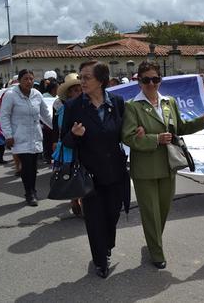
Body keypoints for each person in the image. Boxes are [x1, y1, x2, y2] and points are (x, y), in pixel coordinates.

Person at [121, 60, 204, 269]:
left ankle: (153, 241)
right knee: (150, 212)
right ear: (139, 82)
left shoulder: (169, 102)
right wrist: (155, 139)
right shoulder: (132, 107)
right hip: (144, 168)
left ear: (160, 80)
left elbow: (180, 127)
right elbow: (128, 137)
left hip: (168, 165)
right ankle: (156, 252)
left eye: (155, 79)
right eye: (146, 80)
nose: (151, 84)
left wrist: (201, 121)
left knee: (162, 210)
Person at [61, 60, 129, 279]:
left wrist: (136, 134)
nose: (82, 81)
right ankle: (100, 260)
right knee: (94, 219)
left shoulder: (117, 103)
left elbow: (123, 133)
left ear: (101, 80)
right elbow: (65, 141)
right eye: (80, 77)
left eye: (86, 77)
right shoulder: (73, 107)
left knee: (112, 214)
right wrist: (74, 135)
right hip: (89, 175)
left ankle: (106, 245)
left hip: (116, 171)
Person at [0, 69, 53, 206]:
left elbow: (45, 114)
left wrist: (57, 128)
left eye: (31, 79)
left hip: (35, 135)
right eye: (25, 79)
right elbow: (4, 115)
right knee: (27, 165)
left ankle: (32, 190)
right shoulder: (11, 95)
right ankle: (29, 193)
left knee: (33, 166)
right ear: (19, 81)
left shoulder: (37, 94)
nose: (29, 82)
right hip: (19, 136)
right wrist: (8, 135)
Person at [52, 73, 83, 217]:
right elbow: (57, 128)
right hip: (68, 145)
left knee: (82, 172)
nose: (79, 92)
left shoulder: (86, 106)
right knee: (70, 171)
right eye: (75, 90)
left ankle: (81, 198)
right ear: (69, 93)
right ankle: (74, 199)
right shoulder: (62, 110)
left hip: (81, 144)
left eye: (80, 89)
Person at [42, 78, 59, 164]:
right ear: (53, 89)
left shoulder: (57, 98)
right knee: (47, 142)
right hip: (46, 125)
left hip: (55, 124)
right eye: (57, 88)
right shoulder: (43, 97)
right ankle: (47, 156)